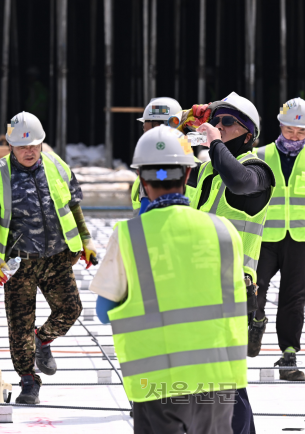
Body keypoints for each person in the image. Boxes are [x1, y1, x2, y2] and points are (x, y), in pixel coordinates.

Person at [89, 126, 248, 434]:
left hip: (156, 384)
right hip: (217, 380)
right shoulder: (224, 231)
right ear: (187, 176)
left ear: (141, 179)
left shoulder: (129, 236)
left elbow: (103, 311)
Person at [0, 111, 97, 404]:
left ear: (42, 144)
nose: (29, 151)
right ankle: (29, 381)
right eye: (22, 146)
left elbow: (73, 206)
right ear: (11, 146)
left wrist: (86, 239)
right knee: (19, 326)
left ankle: (43, 339)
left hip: (57, 258)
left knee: (71, 309)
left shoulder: (56, 165)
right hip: (20, 263)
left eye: (34, 145)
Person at [188, 91, 275, 434]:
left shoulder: (258, 172)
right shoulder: (209, 169)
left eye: (228, 123)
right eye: (217, 122)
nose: (219, 127)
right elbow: (168, 154)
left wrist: (212, 141)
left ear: (248, 133)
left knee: (226, 383)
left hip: (232, 290)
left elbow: (238, 181)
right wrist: (188, 121)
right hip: (197, 287)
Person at [248, 98, 305, 382]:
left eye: (301, 132)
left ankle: (289, 354)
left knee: (293, 299)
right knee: (255, 289)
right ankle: (256, 322)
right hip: (265, 238)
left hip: (300, 239)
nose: (295, 136)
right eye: (290, 130)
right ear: (281, 126)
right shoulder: (260, 155)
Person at [131, 97, 184, 213]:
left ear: (157, 127)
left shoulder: (154, 163)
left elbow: (145, 216)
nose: (144, 134)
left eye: (145, 128)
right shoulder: (195, 163)